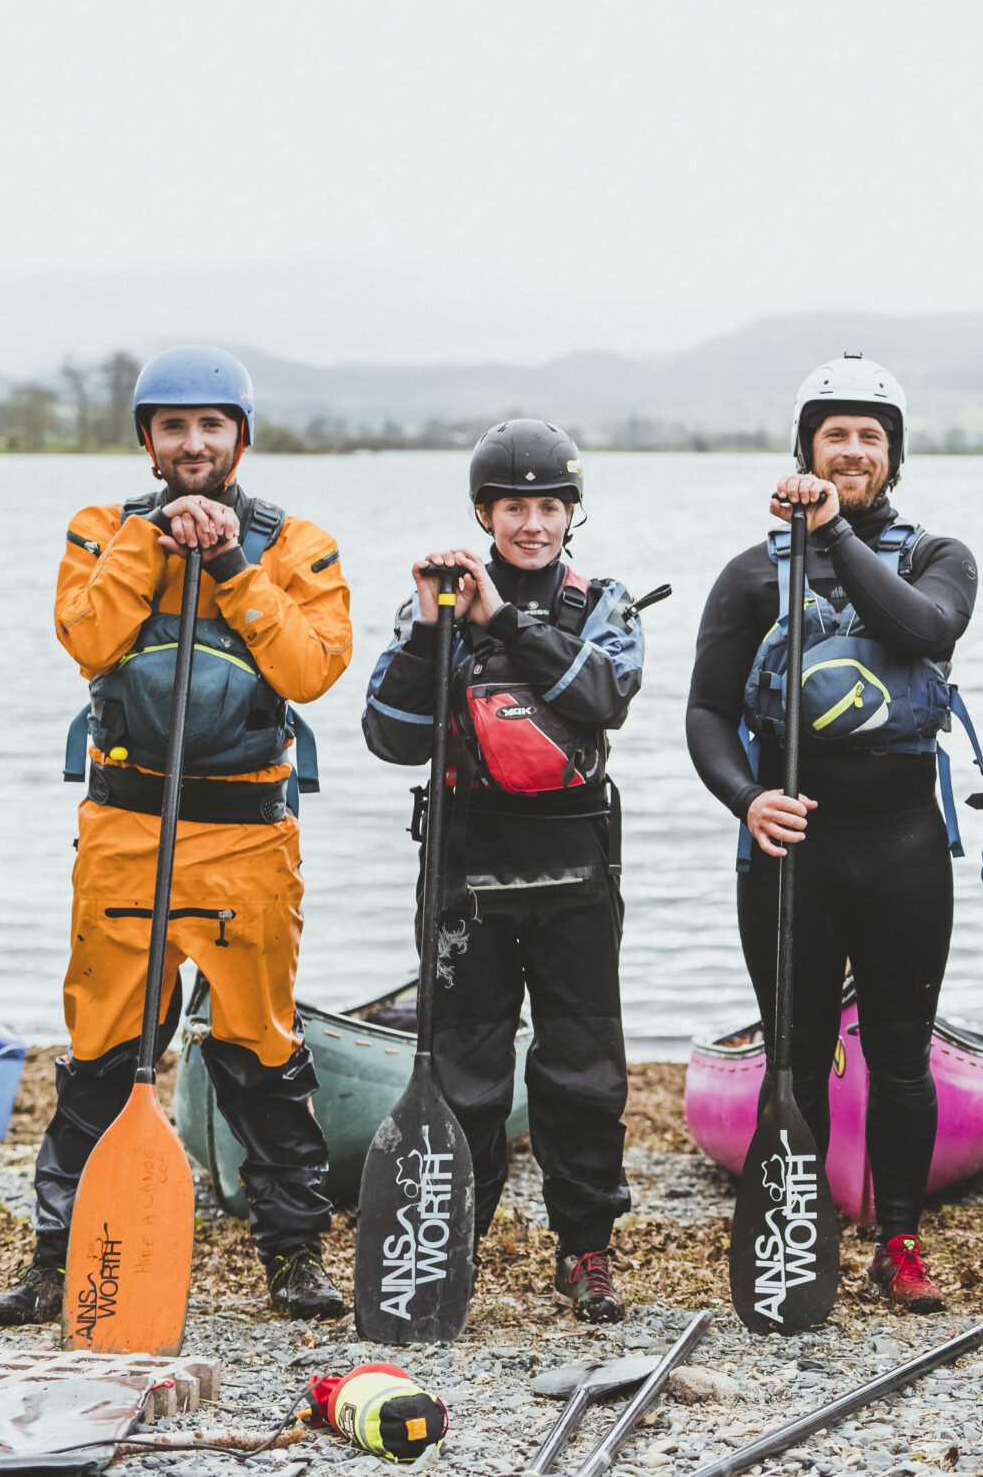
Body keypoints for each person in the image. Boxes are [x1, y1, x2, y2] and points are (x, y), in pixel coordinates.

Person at [0, 345, 353, 1325]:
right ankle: (55, 1257)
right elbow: (87, 638)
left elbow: (312, 670)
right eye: (174, 427)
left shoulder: (300, 545)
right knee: (102, 1052)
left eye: (212, 426)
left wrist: (231, 563)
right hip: (124, 829)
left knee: (262, 1056)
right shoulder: (97, 531)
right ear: (148, 441)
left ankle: (292, 1258)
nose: (194, 444)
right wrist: (154, 544)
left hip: (246, 845)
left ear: (240, 438)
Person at [684, 355, 981, 1314]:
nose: (852, 449)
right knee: (794, 1053)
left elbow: (923, 631)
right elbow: (705, 711)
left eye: (871, 437)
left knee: (900, 1054)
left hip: (901, 847)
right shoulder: (748, 574)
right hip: (790, 849)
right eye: (835, 434)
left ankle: (899, 1237)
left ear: (893, 457)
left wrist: (833, 532)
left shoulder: (941, 558)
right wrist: (744, 798)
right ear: (805, 446)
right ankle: (794, 1222)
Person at [360, 420, 646, 1321]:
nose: (532, 523)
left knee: (583, 1069)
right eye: (514, 506)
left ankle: (586, 1249)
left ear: (572, 513)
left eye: (549, 506)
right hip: (466, 866)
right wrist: (432, 633)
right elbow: (388, 735)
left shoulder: (604, 600)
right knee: (465, 1068)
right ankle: (453, 1237)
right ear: (485, 511)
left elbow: (607, 699)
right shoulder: (431, 606)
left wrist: (505, 620)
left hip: (575, 865)